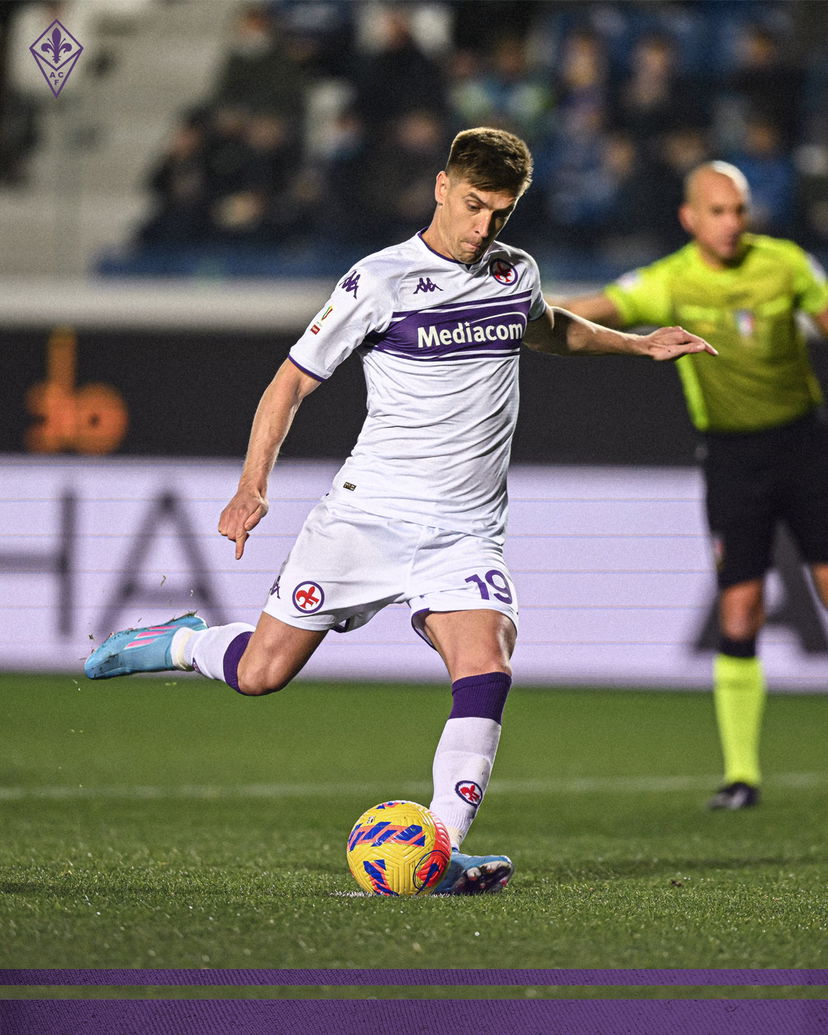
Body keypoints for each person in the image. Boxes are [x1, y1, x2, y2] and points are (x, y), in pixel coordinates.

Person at [84, 127, 714, 890]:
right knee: (261, 673)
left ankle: (440, 850)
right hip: (367, 518)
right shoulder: (378, 281)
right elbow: (289, 383)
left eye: (502, 213)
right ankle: (183, 642)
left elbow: (545, 327)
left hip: (465, 531)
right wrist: (252, 485)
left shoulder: (514, 272)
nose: (484, 228)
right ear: (443, 187)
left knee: (487, 661)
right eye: (474, 205)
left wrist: (639, 346)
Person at [558, 161, 828, 811]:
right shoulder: (670, 280)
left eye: (738, 210)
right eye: (718, 211)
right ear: (689, 218)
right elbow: (583, 315)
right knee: (740, 612)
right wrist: (509, 315)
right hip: (733, 459)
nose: (732, 223)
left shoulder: (787, 263)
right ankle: (741, 775)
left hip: (804, 445)